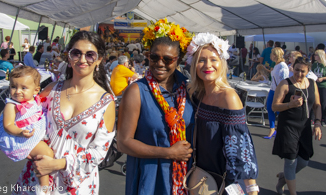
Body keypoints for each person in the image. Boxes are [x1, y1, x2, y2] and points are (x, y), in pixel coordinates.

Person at [12, 31, 116, 195]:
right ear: (68, 57)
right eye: (76, 53)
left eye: (90, 55)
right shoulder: (51, 90)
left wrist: (58, 164)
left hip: (77, 184)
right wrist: (25, 147)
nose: (82, 60)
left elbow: (99, 152)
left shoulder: (105, 102)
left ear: (99, 60)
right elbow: (26, 120)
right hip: (38, 179)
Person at [117, 19, 195, 195]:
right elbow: (123, 143)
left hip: (183, 178)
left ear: (178, 60)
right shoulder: (137, 91)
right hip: (150, 179)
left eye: (167, 59)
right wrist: (169, 153)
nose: (160, 63)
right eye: (154, 57)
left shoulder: (188, 90)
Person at [186, 32, 259, 194]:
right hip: (199, 177)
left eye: (213, 60)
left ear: (222, 63)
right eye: (201, 60)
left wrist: (252, 188)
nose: (207, 65)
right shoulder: (196, 93)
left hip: (222, 182)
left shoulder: (228, 97)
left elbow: (242, 144)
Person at [0, 66, 53, 193]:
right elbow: (8, 125)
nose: (17, 91)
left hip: (34, 131)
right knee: (46, 153)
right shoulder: (12, 105)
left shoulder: (35, 99)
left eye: (23, 88)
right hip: (21, 136)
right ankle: (44, 187)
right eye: (13, 87)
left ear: (36, 90)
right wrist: (20, 132)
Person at [271, 57, 322, 195]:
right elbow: (274, 106)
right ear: (292, 68)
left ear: (308, 71)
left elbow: (317, 105)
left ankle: (283, 178)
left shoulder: (312, 84)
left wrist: (317, 122)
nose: (299, 73)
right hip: (288, 127)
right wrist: (289, 105)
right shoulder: (285, 84)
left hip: (304, 128)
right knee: (290, 162)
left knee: (304, 162)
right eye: (297, 70)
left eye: (303, 71)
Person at [265, 47, 289, 139]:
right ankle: (272, 129)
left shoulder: (282, 65)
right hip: (272, 89)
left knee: (279, 110)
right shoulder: (276, 65)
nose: (270, 56)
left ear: (275, 55)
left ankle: (282, 128)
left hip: (278, 91)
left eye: (271, 54)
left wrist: (281, 92)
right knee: (270, 108)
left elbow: (283, 80)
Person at [312, 49, 326, 127]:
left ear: (320, 56)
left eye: (316, 55)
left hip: (324, 86)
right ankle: (314, 118)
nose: (314, 56)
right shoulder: (314, 64)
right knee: (314, 101)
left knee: (323, 102)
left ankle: (322, 119)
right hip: (315, 85)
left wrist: (323, 78)